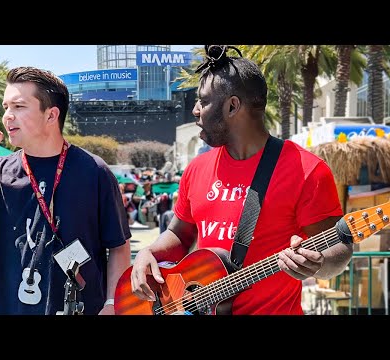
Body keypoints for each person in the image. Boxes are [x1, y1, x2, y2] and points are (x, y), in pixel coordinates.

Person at [130, 45, 353, 315]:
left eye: (203, 101)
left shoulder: (307, 170)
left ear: (232, 106)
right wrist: (149, 253)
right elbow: (179, 233)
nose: (195, 111)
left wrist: (316, 263)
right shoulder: (197, 168)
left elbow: (339, 247)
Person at [0, 66, 131, 315]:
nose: (8, 116)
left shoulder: (94, 170)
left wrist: (111, 305)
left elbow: (118, 245)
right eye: (5, 107)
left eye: (19, 106)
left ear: (51, 115)